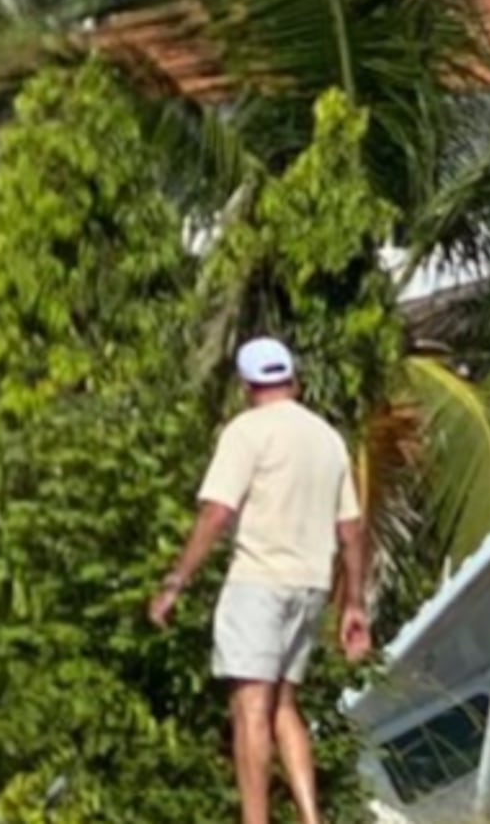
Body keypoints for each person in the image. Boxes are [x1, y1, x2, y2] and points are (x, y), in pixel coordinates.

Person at [148, 336, 371, 824]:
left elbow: (216, 512)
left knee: (250, 706)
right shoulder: (326, 437)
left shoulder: (247, 431)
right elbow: (351, 529)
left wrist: (175, 582)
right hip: (311, 585)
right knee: (283, 705)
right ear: (291, 378)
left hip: (259, 582)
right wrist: (354, 602)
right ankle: (311, 818)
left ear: (247, 384)